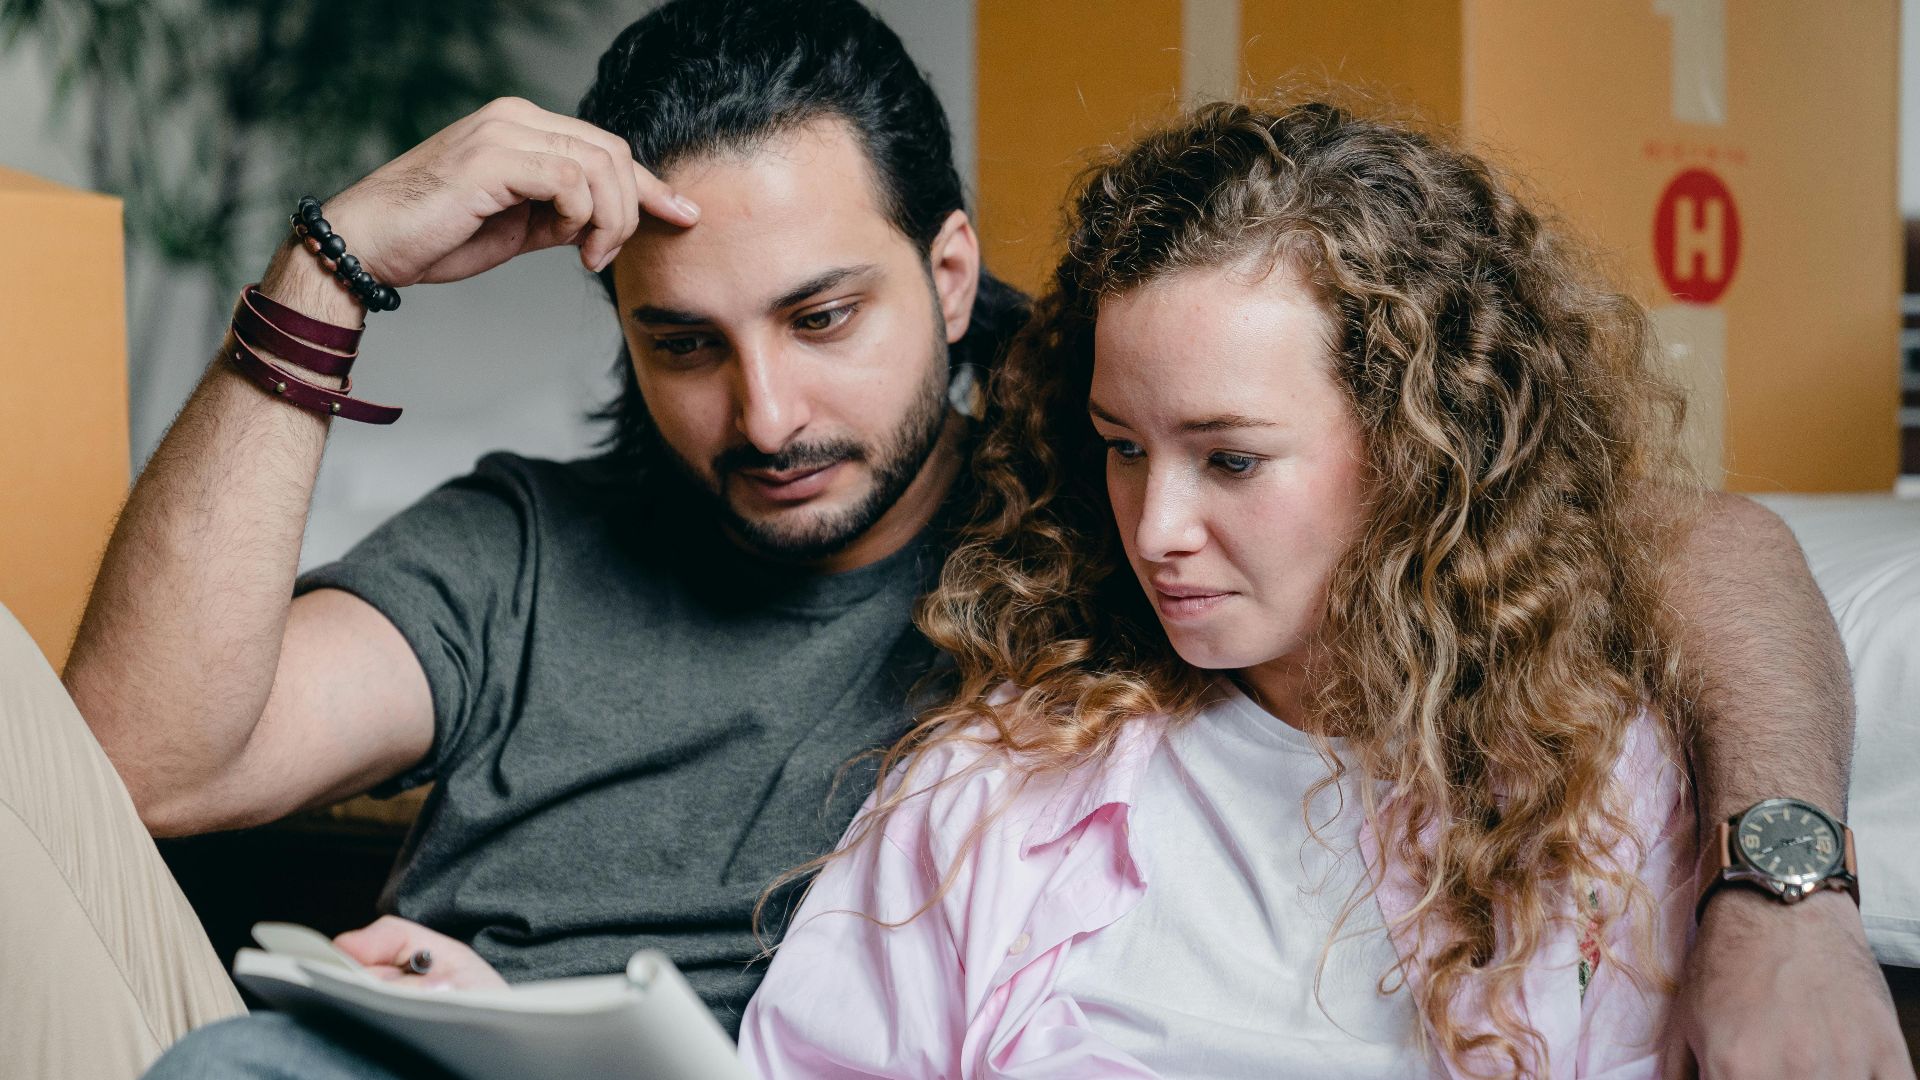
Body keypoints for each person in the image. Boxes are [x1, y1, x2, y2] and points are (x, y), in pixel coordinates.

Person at [0, 1, 1893, 1077]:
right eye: (683, 343)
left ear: (952, 271)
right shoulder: (530, 548)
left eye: (824, 318)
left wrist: (1785, 892)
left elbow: (1674, 542)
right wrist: (333, 271)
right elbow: (141, 770)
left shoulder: (1097, 490)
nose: (766, 417)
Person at [737, 101, 1904, 1080]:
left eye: (1230, 458)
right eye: (1124, 446)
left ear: (1421, 446)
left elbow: (1722, 541)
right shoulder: (992, 793)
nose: (1157, 528)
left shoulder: (1606, 797)